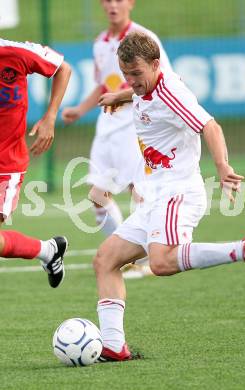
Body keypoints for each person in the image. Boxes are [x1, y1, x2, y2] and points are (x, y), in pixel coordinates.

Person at [93, 31, 245, 361]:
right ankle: (113, 346)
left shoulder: (170, 91)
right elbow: (141, 94)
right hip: (155, 195)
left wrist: (222, 166)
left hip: (177, 192)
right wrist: (120, 96)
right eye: (126, 74)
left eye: (137, 74)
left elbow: (211, 126)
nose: (132, 81)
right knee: (105, 260)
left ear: (155, 64)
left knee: (161, 262)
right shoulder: (146, 85)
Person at [62, 0, 172, 259]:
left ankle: (147, 258)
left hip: (136, 124)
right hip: (107, 126)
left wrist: (120, 98)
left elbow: (162, 79)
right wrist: (80, 109)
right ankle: (126, 254)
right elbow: (103, 86)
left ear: (131, 3)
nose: (113, 5)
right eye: (108, 0)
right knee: (98, 196)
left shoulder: (143, 38)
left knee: (140, 191)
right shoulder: (100, 42)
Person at [0, 38, 71, 288]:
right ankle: (48, 251)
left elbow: (63, 68)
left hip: (6, 164)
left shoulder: (16, 52)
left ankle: (48, 251)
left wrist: (50, 117)